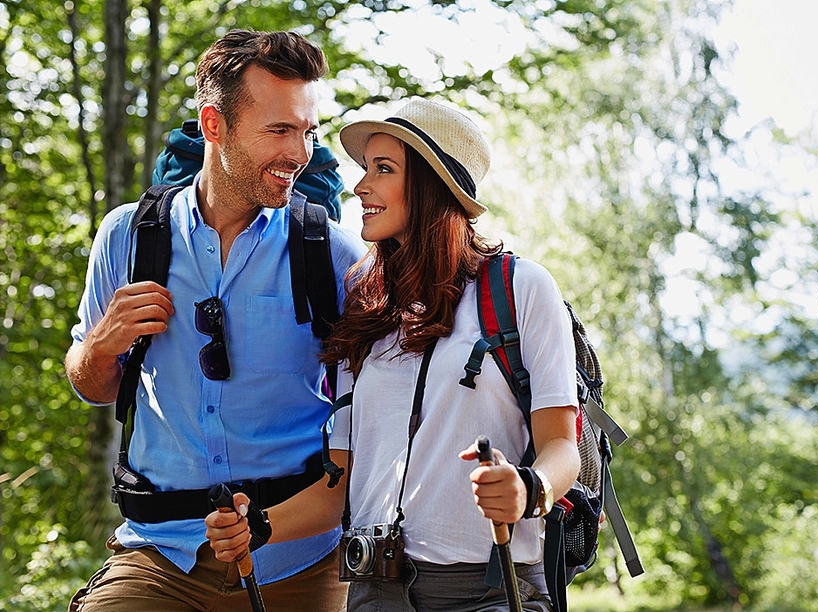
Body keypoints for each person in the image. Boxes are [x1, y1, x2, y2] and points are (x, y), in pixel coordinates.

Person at [206, 97, 580, 611]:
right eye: (366, 168)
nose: (360, 186)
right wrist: (260, 526)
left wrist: (528, 488)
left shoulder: (521, 288)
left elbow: (563, 446)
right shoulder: (362, 309)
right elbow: (338, 487)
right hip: (373, 593)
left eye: (384, 169)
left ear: (434, 185)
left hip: (490, 591)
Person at [65, 29, 367, 612]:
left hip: (300, 558)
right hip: (161, 555)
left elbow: (370, 424)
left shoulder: (332, 253)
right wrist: (102, 346)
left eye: (307, 132)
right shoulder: (127, 237)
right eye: (278, 130)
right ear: (213, 125)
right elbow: (91, 386)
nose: (298, 153)